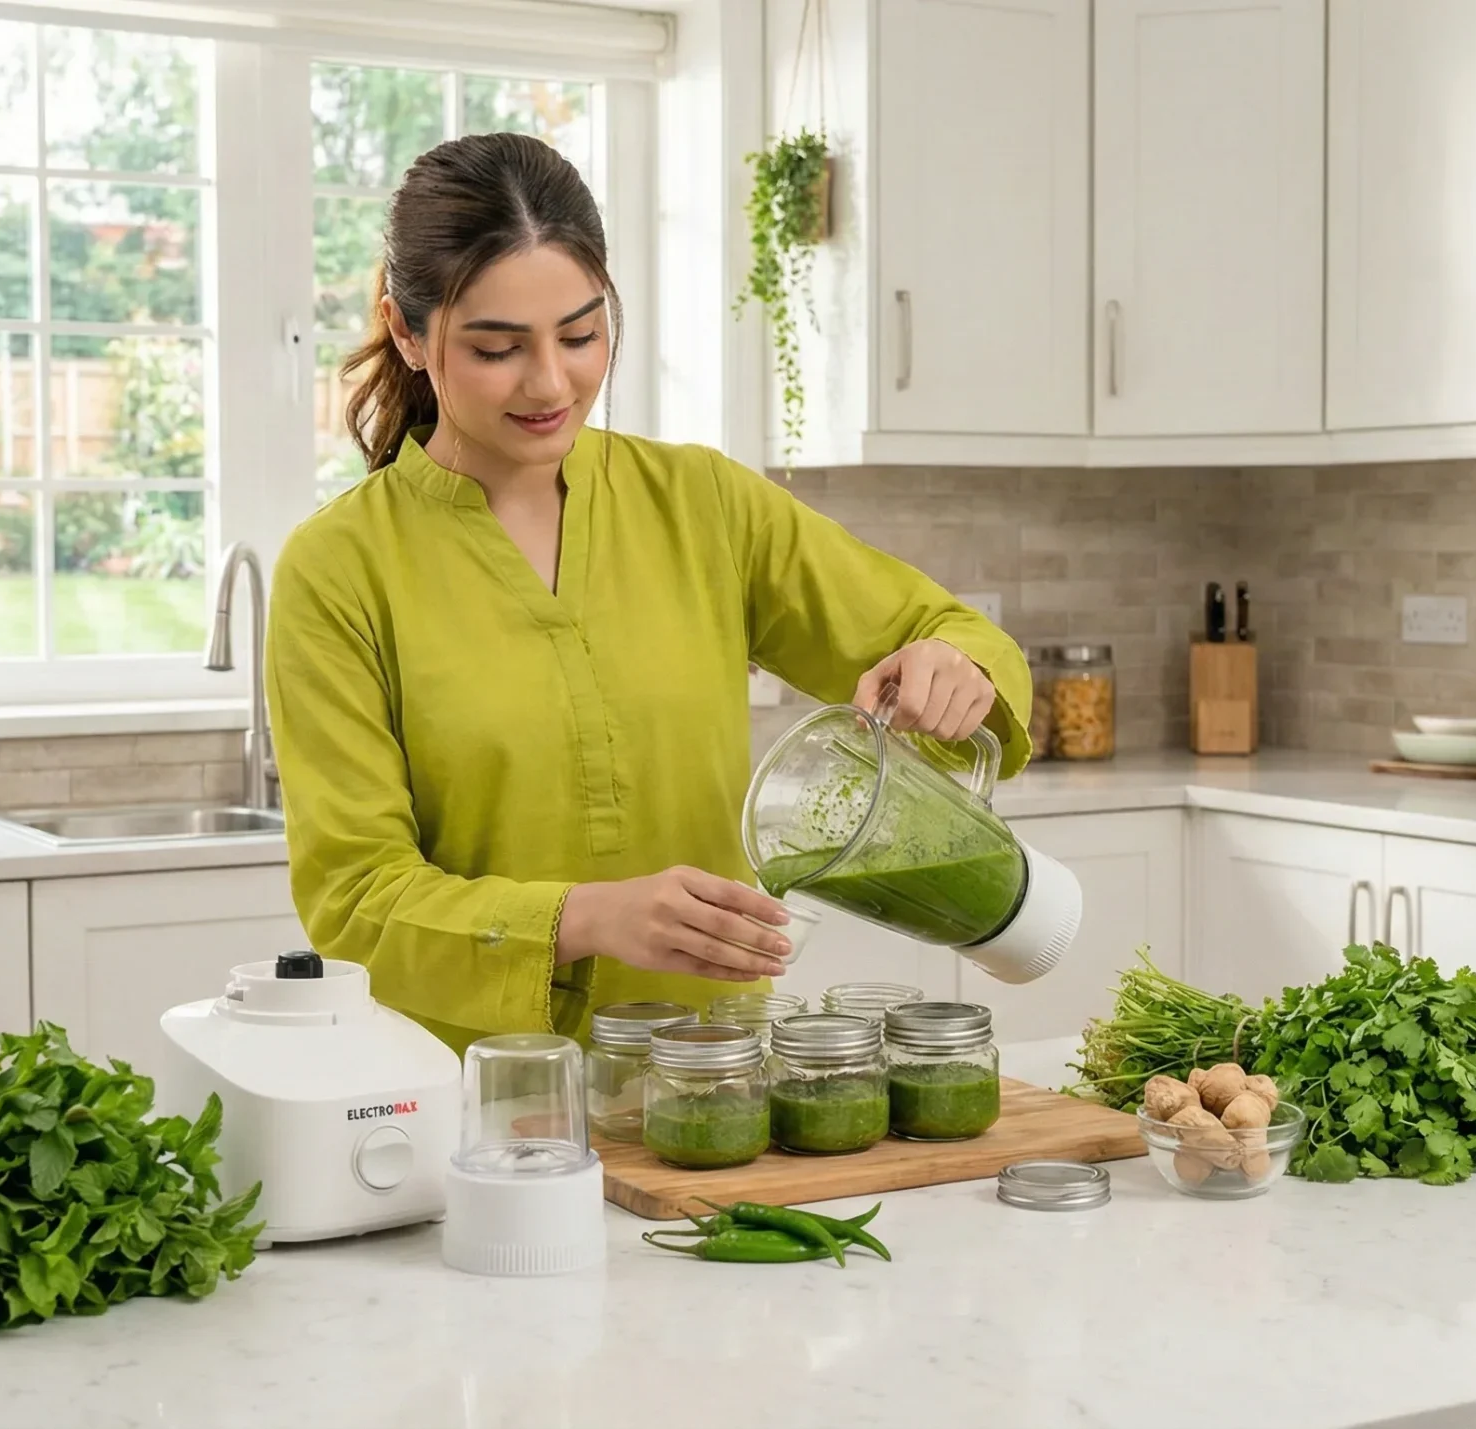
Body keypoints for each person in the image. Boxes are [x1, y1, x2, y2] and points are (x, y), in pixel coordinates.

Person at [268, 132, 1030, 1055]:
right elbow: (357, 901)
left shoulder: (702, 502)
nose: (552, 382)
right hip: (474, 1100)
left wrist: (955, 669)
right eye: (498, 348)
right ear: (405, 331)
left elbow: (943, 629)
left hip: (714, 1083)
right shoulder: (338, 569)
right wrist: (581, 920)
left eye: (582, 335)